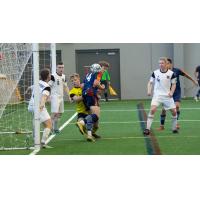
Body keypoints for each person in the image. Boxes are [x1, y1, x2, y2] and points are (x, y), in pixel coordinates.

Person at [157, 58, 198, 130]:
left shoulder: (177, 70)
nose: (166, 65)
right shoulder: (163, 72)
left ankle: (176, 123)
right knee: (163, 109)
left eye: (167, 63)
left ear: (170, 64)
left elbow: (186, 75)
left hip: (176, 92)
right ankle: (161, 126)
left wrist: (193, 81)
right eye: (165, 64)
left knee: (177, 106)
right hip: (167, 93)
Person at [143, 57, 178, 135]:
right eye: (159, 63)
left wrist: (171, 92)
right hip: (157, 96)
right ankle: (147, 129)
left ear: (166, 64)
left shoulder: (172, 74)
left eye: (162, 63)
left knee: (174, 112)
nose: (160, 65)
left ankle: (174, 128)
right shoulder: (155, 73)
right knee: (152, 110)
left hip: (167, 96)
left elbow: (174, 84)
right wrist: (149, 91)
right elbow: (150, 82)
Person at [78, 63, 105, 142]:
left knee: (93, 120)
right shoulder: (98, 73)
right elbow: (96, 83)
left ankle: (90, 134)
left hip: (85, 95)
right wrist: (102, 87)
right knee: (96, 116)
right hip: (91, 94)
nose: (102, 70)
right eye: (102, 68)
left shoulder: (88, 74)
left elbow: (82, 85)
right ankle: (82, 122)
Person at [69, 73, 101, 140]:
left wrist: (96, 95)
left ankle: (92, 133)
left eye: (75, 80)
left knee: (96, 126)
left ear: (79, 79)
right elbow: (76, 99)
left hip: (89, 110)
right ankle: (88, 135)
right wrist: (86, 94)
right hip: (81, 112)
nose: (74, 82)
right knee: (81, 123)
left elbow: (94, 91)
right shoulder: (72, 91)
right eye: (72, 81)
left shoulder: (85, 86)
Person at [28, 68, 52, 148]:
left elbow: (31, 87)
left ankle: (36, 139)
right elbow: (44, 97)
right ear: (48, 76)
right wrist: (41, 106)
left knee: (39, 122)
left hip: (31, 105)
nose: (50, 75)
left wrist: (28, 89)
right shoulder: (47, 86)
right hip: (38, 106)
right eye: (49, 74)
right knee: (49, 124)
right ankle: (42, 143)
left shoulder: (38, 82)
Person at [48, 62, 71, 134]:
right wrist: (48, 97)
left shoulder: (64, 76)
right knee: (54, 113)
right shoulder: (53, 76)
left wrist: (69, 95)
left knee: (60, 113)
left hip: (61, 97)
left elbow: (66, 86)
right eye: (60, 67)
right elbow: (48, 86)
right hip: (54, 97)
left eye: (62, 67)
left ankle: (55, 128)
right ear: (56, 68)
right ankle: (49, 129)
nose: (61, 69)